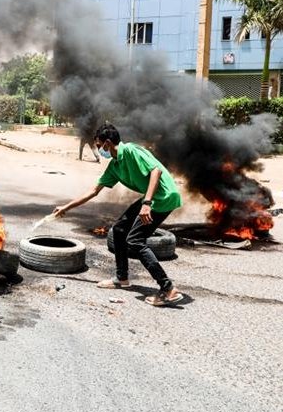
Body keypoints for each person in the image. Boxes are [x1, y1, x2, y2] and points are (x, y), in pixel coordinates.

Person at [53, 122, 184, 306]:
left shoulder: (131, 150)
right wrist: (66, 207)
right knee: (119, 229)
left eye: (99, 146)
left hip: (163, 197)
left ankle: (168, 289)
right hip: (152, 197)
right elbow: (93, 191)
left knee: (135, 241)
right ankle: (122, 278)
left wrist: (146, 204)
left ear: (107, 143)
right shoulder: (115, 165)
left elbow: (156, 171)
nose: (99, 150)